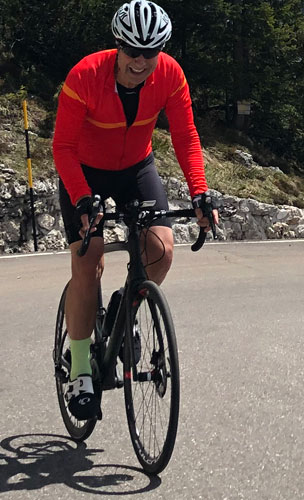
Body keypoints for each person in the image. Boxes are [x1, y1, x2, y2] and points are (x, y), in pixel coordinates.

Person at [52, 0, 218, 420]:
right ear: (118, 46)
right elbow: (64, 148)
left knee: (161, 249)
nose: (141, 61)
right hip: (84, 172)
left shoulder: (171, 75)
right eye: (133, 51)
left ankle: (128, 310)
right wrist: (82, 198)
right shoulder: (84, 76)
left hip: (135, 169)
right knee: (87, 262)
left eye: (151, 52)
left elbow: (185, 135)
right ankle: (82, 366)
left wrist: (200, 193)